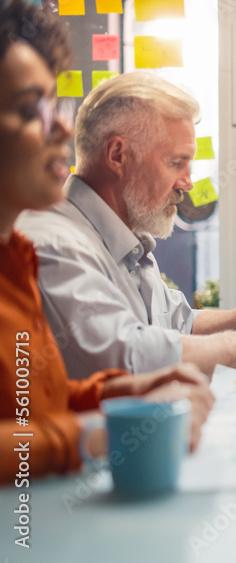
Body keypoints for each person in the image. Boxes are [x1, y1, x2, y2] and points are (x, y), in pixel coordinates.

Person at [17, 72, 236, 380]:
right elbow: (124, 356)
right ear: (118, 155)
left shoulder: (127, 237)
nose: (188, 183)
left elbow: (180, 324)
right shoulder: (55, 243)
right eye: (176, 163)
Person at [1, 0, 213, 481]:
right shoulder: (46, 239)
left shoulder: (15, 257)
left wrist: (131, 392)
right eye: (27, 108)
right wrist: (101, 433)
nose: (59, 126)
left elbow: (42, 398)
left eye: (53, 105)